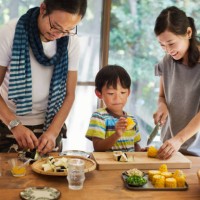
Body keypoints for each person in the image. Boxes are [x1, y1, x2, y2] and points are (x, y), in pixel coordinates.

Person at [0, 0, 87, 154]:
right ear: (43, 8)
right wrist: (15, 125)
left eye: (68, 30)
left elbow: (70, 94)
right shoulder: (10, 32)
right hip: (8, 122)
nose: (59, 35)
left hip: (49, 124)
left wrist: (53, 132)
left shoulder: (71, 42)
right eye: (55, 26)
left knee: (50, 174)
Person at [153, 6, 200, 159]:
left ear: (188, 33)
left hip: (196, 153)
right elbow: (162, 96)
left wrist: (179, 139)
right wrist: (162, 106)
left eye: (171, 44)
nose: (168, 50)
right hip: (169, 148)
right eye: (162, 45)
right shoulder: (167, 61)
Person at [86, 65, 142, 152]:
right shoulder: (99, 117)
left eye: (123, 92)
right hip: (107, 165)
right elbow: (97, 147)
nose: (117, 98)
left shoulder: (132, 119)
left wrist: (142, 152)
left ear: (128, 93)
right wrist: (116, 134)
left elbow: (134, 145)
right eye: (111, 93)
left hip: (129, 165)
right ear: (99, 93)